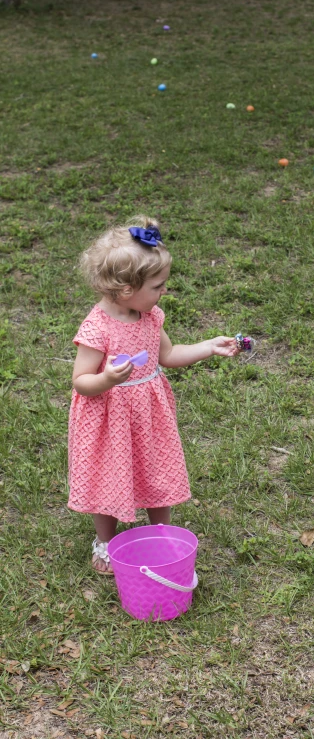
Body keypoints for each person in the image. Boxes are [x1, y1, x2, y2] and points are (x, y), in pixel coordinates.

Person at [69, 217, 239, 574]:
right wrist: (107, 379)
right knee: (108, 478)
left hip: (149, 414)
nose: (165, 292)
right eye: (158, 286)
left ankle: (161, 535)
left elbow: (169, 356)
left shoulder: (150, 317)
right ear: (127, 289)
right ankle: (105, 542)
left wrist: (208, 347)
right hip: (109, 418)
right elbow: (81, 380)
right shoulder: (97, 327)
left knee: (158, 471)